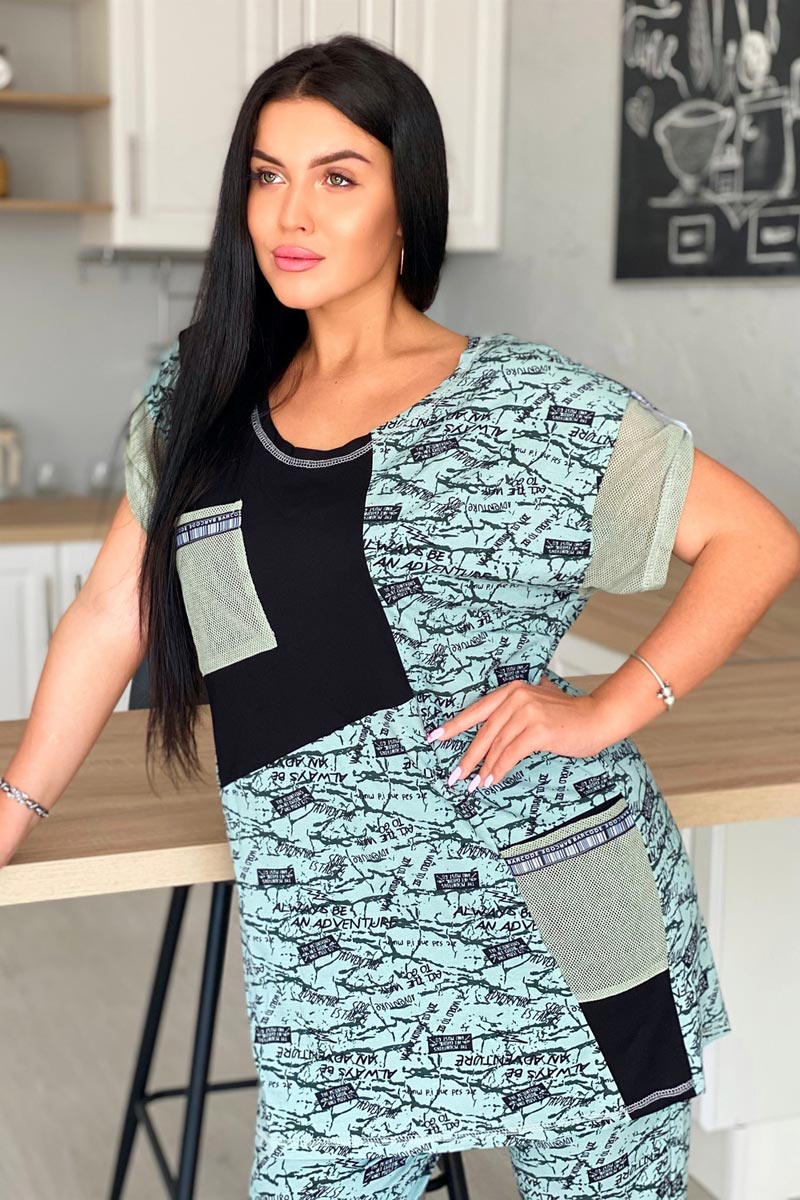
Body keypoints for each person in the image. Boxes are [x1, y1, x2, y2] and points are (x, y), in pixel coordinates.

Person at [2, 32, 799, 1200]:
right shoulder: (200, 398)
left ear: (403, 200)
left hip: (563, 912)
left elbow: (755, 541)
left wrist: (607, 709)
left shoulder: (526, 402)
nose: (291, 211)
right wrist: (16, 803)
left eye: (337, 175)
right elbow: (109, 613)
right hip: (337, 960)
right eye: (267, 174)